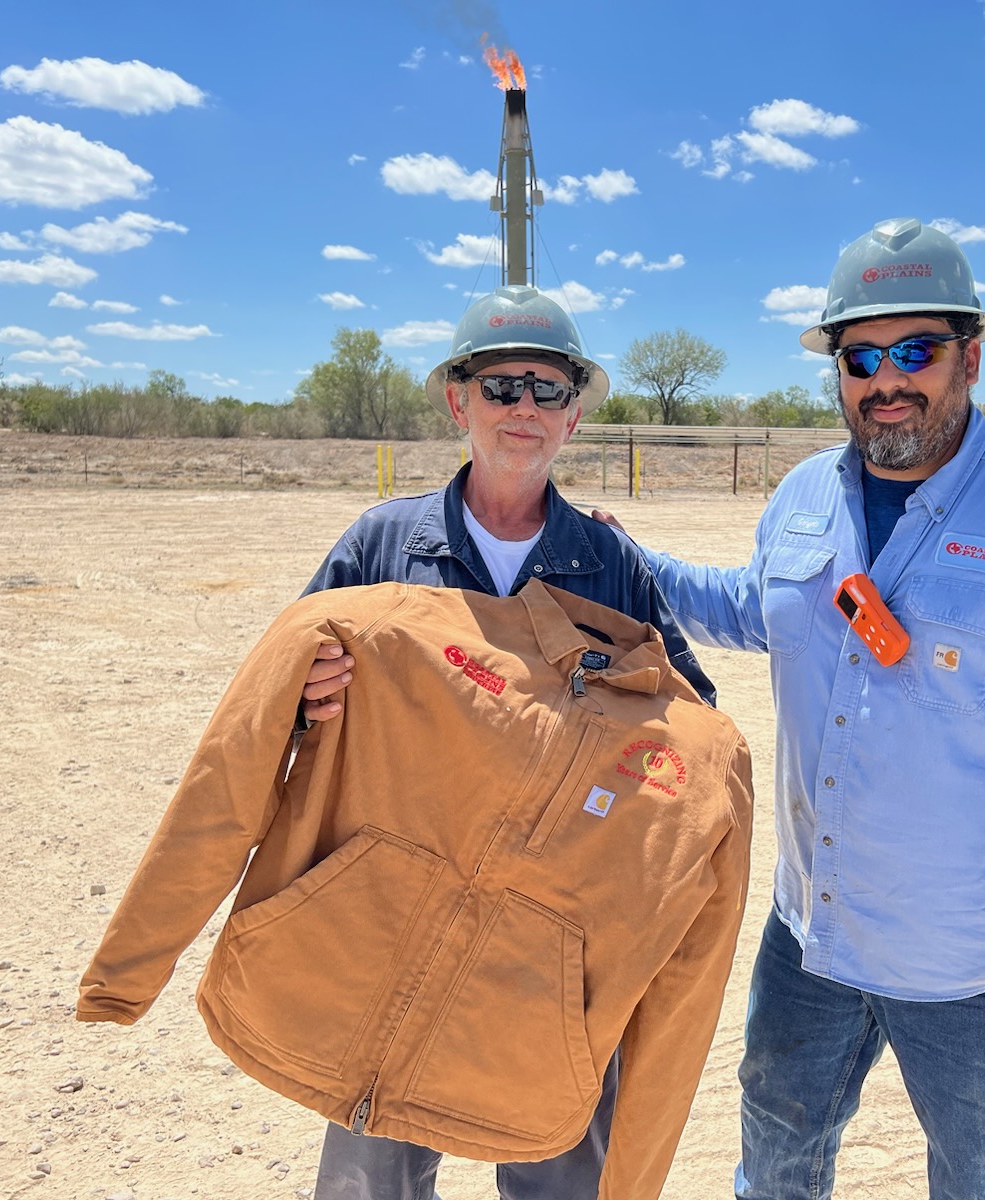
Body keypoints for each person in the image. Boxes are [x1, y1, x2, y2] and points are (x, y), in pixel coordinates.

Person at [594, 218, 985, 1200]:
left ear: (970, 359)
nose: (886, 379)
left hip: (980, 967)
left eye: (917, 351)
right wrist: (631, 566)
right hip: (811, 935)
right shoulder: (804, 496)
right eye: (861, 355)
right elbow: (758, 609)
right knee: (774, 1164)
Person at [297, 284, 716, 1200]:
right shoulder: (380, 547)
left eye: (547, 389)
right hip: (397, 917)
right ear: (459, 402)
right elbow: (283, 690)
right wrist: (309, 694)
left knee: (560, 1163)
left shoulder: (609, 564)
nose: (523, 408)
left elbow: (689, 722)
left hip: (549, 932)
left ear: (573, 416)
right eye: (500, 387)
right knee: (373, 1166)